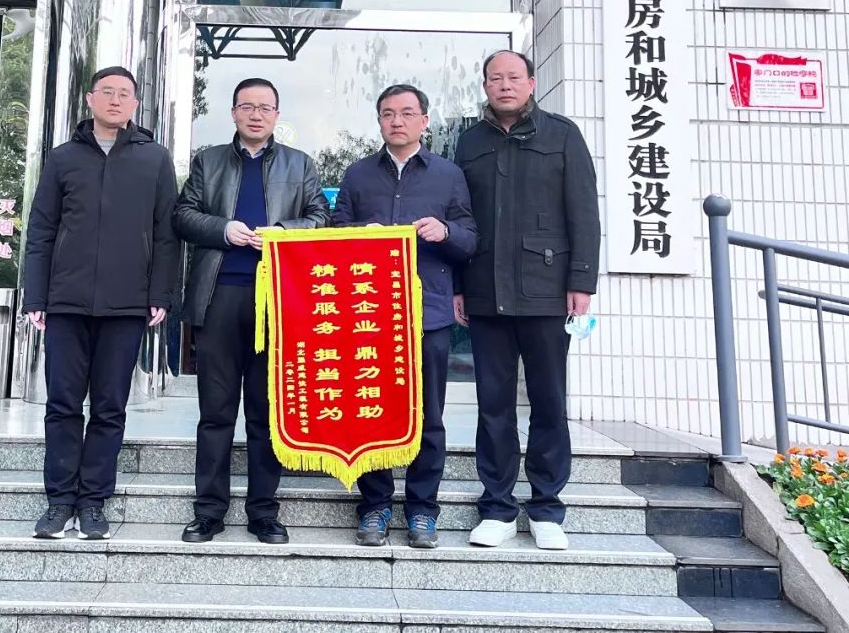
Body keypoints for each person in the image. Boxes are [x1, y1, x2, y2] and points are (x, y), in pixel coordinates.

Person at [23, 66, 178, 540]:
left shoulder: (154, 159)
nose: (115, 100)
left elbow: (167, 235)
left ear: (135, 104)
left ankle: (92, 502)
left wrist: (161, 294)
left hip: (127, 305)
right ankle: (59, 501)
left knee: (110, 407)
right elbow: (41, 230)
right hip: (66, 303)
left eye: (124, 94)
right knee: (63, 404)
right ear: (89, 99)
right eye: (106, 92)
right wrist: (35, 294)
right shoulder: (63, 158)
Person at [174, 77, 330, 545]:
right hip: (220, 295)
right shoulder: (208, 161)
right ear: (234, 113)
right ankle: (209, 512)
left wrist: (282, 230)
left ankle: (263, 512)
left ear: (277, 115)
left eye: (265, 107)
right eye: (247, 106)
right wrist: (224, 229)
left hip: (277, 302)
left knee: (266, 415)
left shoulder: (300, 164)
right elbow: (183, 216)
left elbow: (322, 218)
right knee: (215, 413)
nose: (256, 114)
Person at [453, 50, 600, 551]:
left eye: (514, 77)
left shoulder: (562, 134)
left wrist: (581, 281)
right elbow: (461, 218)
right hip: (485, 292)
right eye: (495, 78)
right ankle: (496, 507)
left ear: (531, 83)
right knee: (493, 405)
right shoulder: (469, 141)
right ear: (485, 85)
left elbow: (584, 212)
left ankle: (546, 507)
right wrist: (459, 286)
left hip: (547, 290)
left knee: (548, 401)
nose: (505, 85)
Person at [332, 84, 477, 549]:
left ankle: (422, 511)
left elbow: (471, 238)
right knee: (372, 410)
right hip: (369, 315)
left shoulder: (448, 175)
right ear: (379, 121)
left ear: (424, 121)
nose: (397, 121)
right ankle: (374, 506)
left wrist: (445, 230)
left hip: (427, 311)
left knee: (428, 416)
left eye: (407, 113)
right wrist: (362, 233)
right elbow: (335, 233)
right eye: (388, 113)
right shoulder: (357, 174)